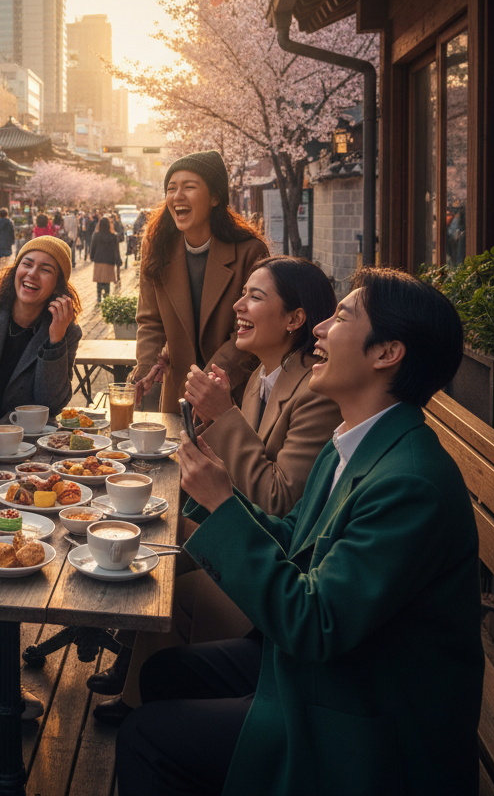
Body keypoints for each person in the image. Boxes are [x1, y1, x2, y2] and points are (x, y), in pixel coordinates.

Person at [118, 267, 483, 796]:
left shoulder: (410, 483)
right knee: (162, 675)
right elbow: (295, 536)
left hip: (363, 712)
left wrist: (223, 504)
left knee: (145, 737)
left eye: (342, 317)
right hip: (336, 668)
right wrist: (206, 509)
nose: (319, 328)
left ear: (387, 353)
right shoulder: (357, 442)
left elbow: (315, 624)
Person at [91, 256, 340, 725]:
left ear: (294, 319)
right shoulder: (264, 376)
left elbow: (279, 499)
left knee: (168, 560)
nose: (238, 306)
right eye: (241, 294)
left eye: (255, 297)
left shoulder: (314, 391)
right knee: (159, 536)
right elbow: (243, 464)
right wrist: (213, 422)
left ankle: (148, 700)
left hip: (277, 562)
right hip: (252, 533)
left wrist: (224, 418)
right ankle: (135, 675)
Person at [134, 151, 269, 413]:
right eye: (171, 188)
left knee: (229, 452)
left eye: (189, 187)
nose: (178, 196)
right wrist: (147, 366)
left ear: (215, 198)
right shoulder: (157, 248)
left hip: (230, 389)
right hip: (177, 390)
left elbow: (253, 328)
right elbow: (150, 320)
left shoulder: (249, 251)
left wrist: (208, 381)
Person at [0, 237, 81, 426]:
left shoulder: (67, 332)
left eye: (46, 270)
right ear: (15, 270)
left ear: (57, 286)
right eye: (27, 264)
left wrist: (55, 341)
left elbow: (51, 404)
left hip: (24, 443)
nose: (32, 273)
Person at [89, 215, 122, 304]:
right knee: (107, 281)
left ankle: (99, 296)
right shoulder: (113, 236)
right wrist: (118, 261)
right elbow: (116, 250)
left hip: (99, 259)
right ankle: (107, 297)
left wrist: (92, 257)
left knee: (99, 281)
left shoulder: (96, 235)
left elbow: (93, 247)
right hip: (109, 261)